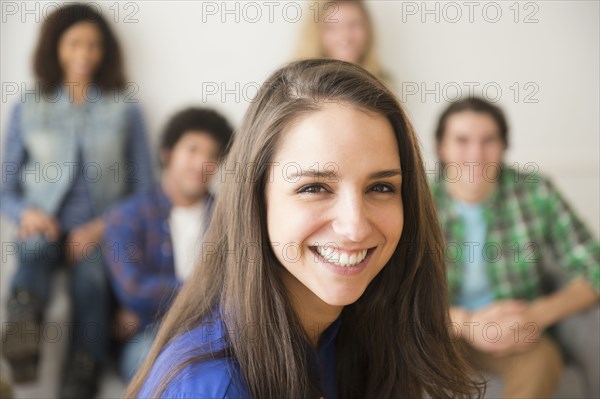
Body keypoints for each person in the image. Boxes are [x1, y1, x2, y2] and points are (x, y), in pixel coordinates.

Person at [125, 59, 482, 399]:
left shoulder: (348, 333)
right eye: (314, 188)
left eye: (381, 187)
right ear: (256, 198)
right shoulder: (213, 385)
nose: (355, 227)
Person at [0, 4, 154, 398]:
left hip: (99, 228)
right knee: (34, 248)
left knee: (92, 278)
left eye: (94, 45)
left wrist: (101, 228)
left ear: (105, 52)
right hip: (44, 223)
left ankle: (82, 375)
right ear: (56, 48)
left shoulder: (124, 108)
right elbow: (5, 187)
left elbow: (144, 188)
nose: (84, 54)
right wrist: (27, 213)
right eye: (75, 44)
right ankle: (23, 331)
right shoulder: (30, 105)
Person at [430, 97, 600, 398]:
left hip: (517, 332)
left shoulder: (536, 193)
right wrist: (467, 323)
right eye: (462, 140)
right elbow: (389, 293)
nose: (475, 154)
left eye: (488, 140)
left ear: (504, 146)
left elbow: (594, 267)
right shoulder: (417, 202)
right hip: (441, 331)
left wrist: (537, 314)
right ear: (441, 147)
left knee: (543, 361)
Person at [103, 107, 233, 382]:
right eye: (193, 150)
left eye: (212, 156)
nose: (202, 164)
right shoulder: (128, 215)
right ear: (167, 154)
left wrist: (153, 303)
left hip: (218, 329)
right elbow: (133, 289)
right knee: (159, 365)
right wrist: (207, 289)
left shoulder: (230, 217)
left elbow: (239, 286)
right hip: (151, 334)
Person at [294, 0, 393, 86]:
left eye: (353, 25)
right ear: (314, 33)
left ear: (367, 28)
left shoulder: (384, 82)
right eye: (332, 27)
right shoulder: (295, 84)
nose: (345, 36)